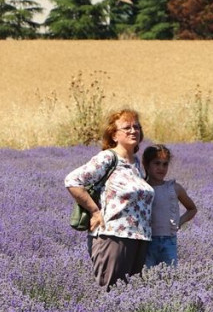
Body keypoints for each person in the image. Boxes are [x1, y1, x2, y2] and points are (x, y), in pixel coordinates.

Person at [65, 108, 154, 288]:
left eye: (136, 127)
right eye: (126, 127)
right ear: (114, 135)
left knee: (132, 295)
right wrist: (95, 211)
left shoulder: (137, 163)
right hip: (113, 235)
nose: (133, 131)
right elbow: (72, 180)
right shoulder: (108, 158)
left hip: (139, 237)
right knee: (110, 293)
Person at [142, 144, 197, 268]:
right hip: (146, 242)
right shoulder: (141, 188)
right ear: (146, 164)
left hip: (169, 241)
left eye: (165, 164)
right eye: (157, 163)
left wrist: (179, 222)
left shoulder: (174, 188)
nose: (161, 168)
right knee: (146, 277)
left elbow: (192, 209)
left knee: (169, 277)